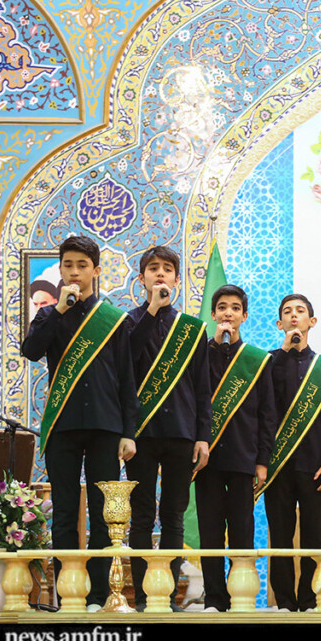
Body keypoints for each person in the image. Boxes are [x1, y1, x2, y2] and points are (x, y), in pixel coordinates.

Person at [20, 235, 137, 611]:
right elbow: (31, 350)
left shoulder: (114, 319)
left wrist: (129, 433)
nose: (74, 271)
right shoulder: (49, 315)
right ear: (60, 269)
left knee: (104, 515)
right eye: (68, 265)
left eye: (82, 265)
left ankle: (100, 596)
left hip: (106, 425)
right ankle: (68, 594)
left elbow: (127, 379)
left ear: (95, 270)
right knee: (65, 512)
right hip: (64, 425)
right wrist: (58, 311)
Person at [126, 245, 211, 611]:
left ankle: (169, 596)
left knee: (174, 515)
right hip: (141, 434)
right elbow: (127, 360)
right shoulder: (128, 322)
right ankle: (143, 597)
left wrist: (203, 437)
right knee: (142, 515)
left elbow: (203, 388)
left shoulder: (191, 329)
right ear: (142, 278)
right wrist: (151, 310)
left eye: (166, 269)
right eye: (153, 268)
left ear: (177, 279)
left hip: (181, 432)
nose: (160, 273)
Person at [260, 293, 321, 612]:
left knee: (314, 537)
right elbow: (264, 404)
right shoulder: (268, 362)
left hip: (314, 465)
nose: (294, 316)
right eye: (287, 312)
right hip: (277, 465)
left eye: (300, 311)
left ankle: (309, 600)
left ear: (312, 321)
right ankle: (284, 601)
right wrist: (284, 351)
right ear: (279, 323)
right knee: (280, 536)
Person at [199, 284, 275, 612]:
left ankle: (242, 597)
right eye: (222, 307)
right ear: (213, 314)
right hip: (208, 458)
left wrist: (263, 461)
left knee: (243, 531)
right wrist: (215, 346)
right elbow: (198, 398)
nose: (227, 313)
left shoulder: (257, 360)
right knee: (211, 532)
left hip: (244, 457)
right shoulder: (201, 354)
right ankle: (214, 598)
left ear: (244, 315)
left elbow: (267, 414)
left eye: (234, 308)